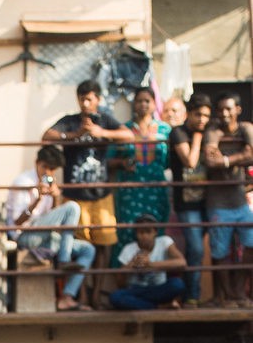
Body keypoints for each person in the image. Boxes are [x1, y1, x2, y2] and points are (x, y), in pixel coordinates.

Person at [42, 80, 134, 307]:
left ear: (98, 100)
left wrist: (100, 132)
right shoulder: (70, 121)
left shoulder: (105, 120)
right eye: (81, 99)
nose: (85, 103)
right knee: (80, 248)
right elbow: (47, 136)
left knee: (104, 246)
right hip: (76, 198)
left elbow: (129, 135)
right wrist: (74, 135)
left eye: (89, 99)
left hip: (101, 196)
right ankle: (79, 296)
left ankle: (96, 296)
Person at [5, 144, 95, 311]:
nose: (47, 172)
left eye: (52, 169)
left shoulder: (49, 184)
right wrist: (37, 199)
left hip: (44, 236)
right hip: (25, 236)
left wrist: (55, 198)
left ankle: (66, 297)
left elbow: (53, 219)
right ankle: (64, 260)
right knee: (73, 207)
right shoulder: (23, 182)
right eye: (45, 167)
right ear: (37, 163)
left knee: (88, 250)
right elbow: (17, 223)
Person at [201, 92, 253, 306]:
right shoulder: (213, 131)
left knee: (251, 244)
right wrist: (240, 157)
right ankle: (229, 295)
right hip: (218, 203)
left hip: (240, 202)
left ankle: (239, 290)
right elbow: (210, 160)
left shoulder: (246, 128)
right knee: (220, 251)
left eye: (228, 109)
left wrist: (224, 160)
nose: (224, 113)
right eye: (220, 109)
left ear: (237, 110)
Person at [110, 87, 171, 257]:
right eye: (139, 101)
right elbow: (108, 160)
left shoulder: (165, 130)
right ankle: (124, 278)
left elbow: (171, 161)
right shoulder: (124, 130)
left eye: (147, 101)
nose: (143, 104)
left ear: (154, 105)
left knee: (156, 231)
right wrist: (122, 162)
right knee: (128, 231)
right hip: (130, 189)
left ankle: (156, 276)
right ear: (134, 104)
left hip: (156, 188)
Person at [168, 93, 213, 307]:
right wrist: (196, 139)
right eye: (198, 115)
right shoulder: (178, 133)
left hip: (208, 200)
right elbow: (190, 161)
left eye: (206, 115)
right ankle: (192, 296)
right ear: (189, 113)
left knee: (202, 249)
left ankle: (193, 293)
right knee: (195, 248)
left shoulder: (210, 132)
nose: (202, 120)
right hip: (186, 202)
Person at [110, 216, 186, 311]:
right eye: (141, 232)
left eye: (148, 232)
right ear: (136, 234)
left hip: (159, 289)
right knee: (116, 297)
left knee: (177, 284)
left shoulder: (164, 242)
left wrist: (150, 264)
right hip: (137, 290)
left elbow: (182, 262)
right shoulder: (129, 249)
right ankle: (159, 307)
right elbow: (120, 283)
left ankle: (143, 304)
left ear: (155, 232)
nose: (145, 236)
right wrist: (132, 265)